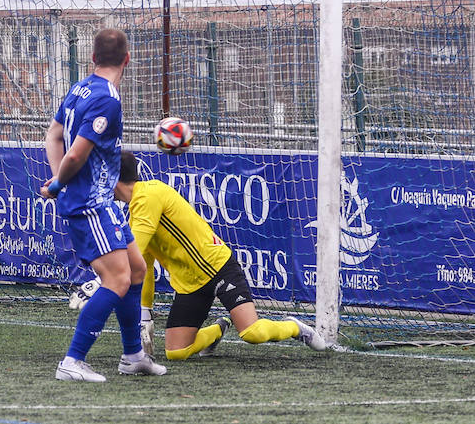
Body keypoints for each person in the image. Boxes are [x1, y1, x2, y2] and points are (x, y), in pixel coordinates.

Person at [115, 151, 329, 359]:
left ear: (114, 177)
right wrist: (145, 312)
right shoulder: (136, 212)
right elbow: (144, 266)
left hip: (218, 267)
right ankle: (217, 330)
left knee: (252, 333)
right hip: (190, 284)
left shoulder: (148, 195)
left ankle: (296, 328)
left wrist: (101, 284)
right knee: (176, 352)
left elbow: (128, 257)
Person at [41, 28, 165, 382]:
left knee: (138, 270)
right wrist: (60, 184)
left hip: (101, 200)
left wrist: (56, 181)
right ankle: (72, 361)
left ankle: (133, 356)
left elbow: (52, 135)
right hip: (90, 204)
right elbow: (77, 152)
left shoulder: (80, 87)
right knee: (117, 278)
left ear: (92, 58)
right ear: (127, 59)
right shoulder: (107, 99)